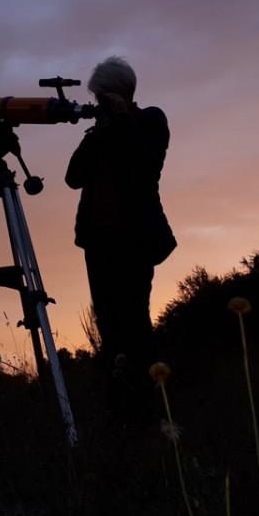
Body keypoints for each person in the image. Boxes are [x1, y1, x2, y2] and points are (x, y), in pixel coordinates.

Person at [65, 56, 175, 412]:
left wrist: (125, 118)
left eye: (103, 97)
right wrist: (96, 137)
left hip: (134, 240)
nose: (98, 103)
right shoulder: (99, 131)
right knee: (108, 326)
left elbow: (146, 166)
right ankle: (118, 409)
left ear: (122, 92)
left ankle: (147, 406)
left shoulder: (149, 120)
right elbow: (73, 178)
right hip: (98, 241)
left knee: (135, 323)